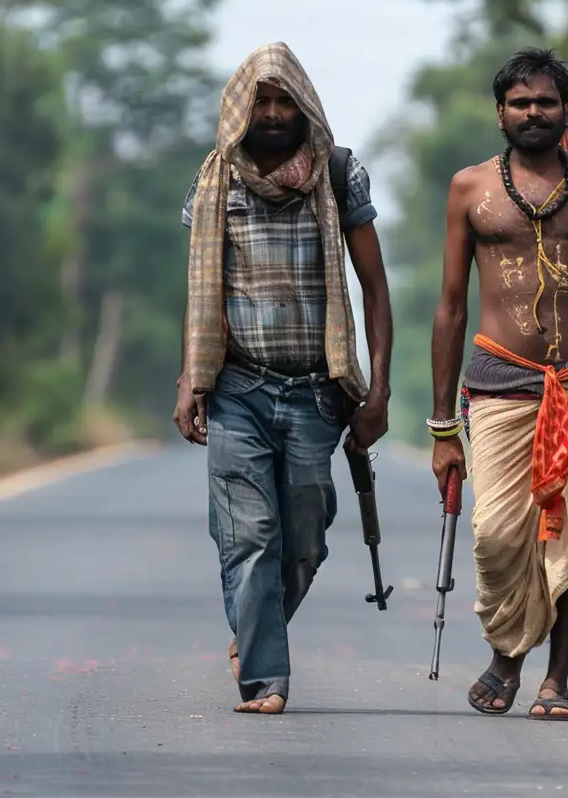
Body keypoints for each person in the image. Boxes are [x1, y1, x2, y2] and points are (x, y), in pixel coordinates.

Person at [428, 49, 568, 722]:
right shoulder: (470, 190)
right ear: (500, 112)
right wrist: (443, 426)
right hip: (499, 382)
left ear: (566, 110)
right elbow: (449, 307)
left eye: (547, 102)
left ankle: (553, 681)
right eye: (521, 103)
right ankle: (507, 653)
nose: (534, 113)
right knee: (499, 535)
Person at [176, 44, 393, 714]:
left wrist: (377, 390)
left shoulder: (336, 175)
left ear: (303, 107)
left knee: (304, 536)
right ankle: (266, 675)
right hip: (238, 388)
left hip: (315, 393)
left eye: (284, 102)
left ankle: (254, 631)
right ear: (242, 109)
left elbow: (375, 290)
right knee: (250, 535)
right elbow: (201, 287)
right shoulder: (215, 181)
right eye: (260, 102)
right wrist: (191, 376)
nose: (272, 114)